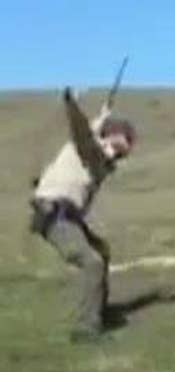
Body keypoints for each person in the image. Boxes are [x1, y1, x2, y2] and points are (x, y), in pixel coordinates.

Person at [29, 87, 136, 343]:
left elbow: (94, 141)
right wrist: (71, 104)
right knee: (93, 262)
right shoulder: (86, 148)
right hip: (54, 216)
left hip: (67, 217)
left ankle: (98, 310)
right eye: (122, 143)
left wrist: (102, 120)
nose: (122, 151)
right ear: (110, 137)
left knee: (102, 252)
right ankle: (86, 329)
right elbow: (82, 130)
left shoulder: (98, 159)